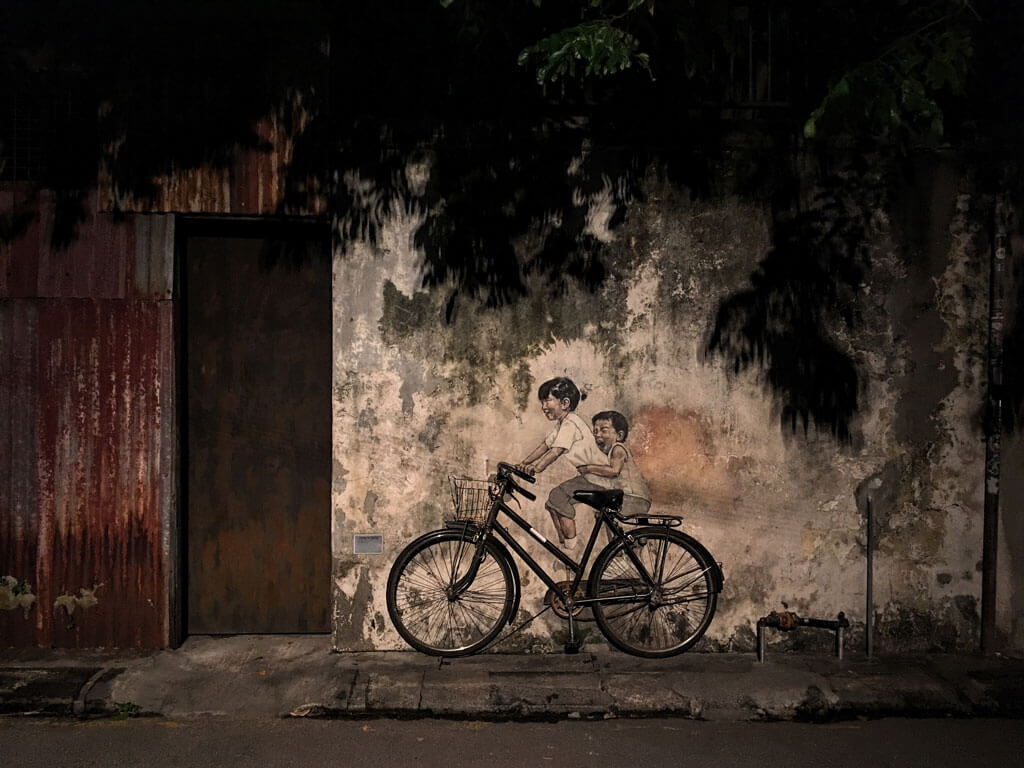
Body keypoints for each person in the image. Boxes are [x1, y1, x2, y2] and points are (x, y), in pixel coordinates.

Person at [517, 377, 610, 549]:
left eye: (548, 400)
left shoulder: (570, 424)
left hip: (598, 477)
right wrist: (522, 463)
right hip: (591, 477)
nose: (544, 407)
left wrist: (535, 468)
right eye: (542, 401)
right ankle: (563, 544)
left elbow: (555, 451)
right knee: (553, 502)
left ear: (565, 403)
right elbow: (545, 446)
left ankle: (570, 550)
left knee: (558, 498)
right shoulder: (562, 424)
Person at [577, 410, 652, 520]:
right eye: (595, 431)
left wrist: (589, 468)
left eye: (604, 431)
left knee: (604, 511)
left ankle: (616, 537)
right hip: (634, 497)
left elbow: (614, 471)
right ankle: (617, 537)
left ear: (619, 435)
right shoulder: (611, 453)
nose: (598, 435)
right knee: (606, 516)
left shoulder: (618, 449)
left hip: (634, 497)